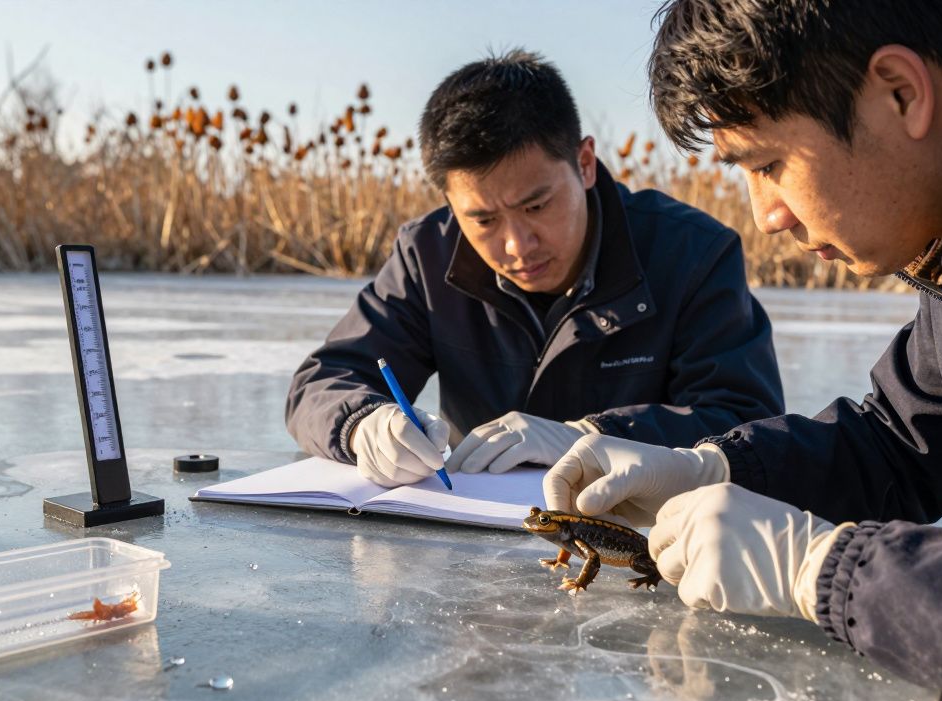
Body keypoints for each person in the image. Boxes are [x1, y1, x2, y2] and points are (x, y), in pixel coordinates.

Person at [544, 0, 942, 701]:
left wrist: (829, 570)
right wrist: (715, 470)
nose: (766, 215)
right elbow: (898, 443)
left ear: (900, 93)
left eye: (769, 165)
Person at [285, 49, 783, 488]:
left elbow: (746, 423)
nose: (516, 245)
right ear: (449, 201)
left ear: (585, 163)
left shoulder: (693, 254)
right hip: (475, 544)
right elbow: (322, 381)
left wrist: (589, 437)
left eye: (537, 206)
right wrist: (363, 424)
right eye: (482, 219)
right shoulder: (427, 256)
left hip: (638, 547)